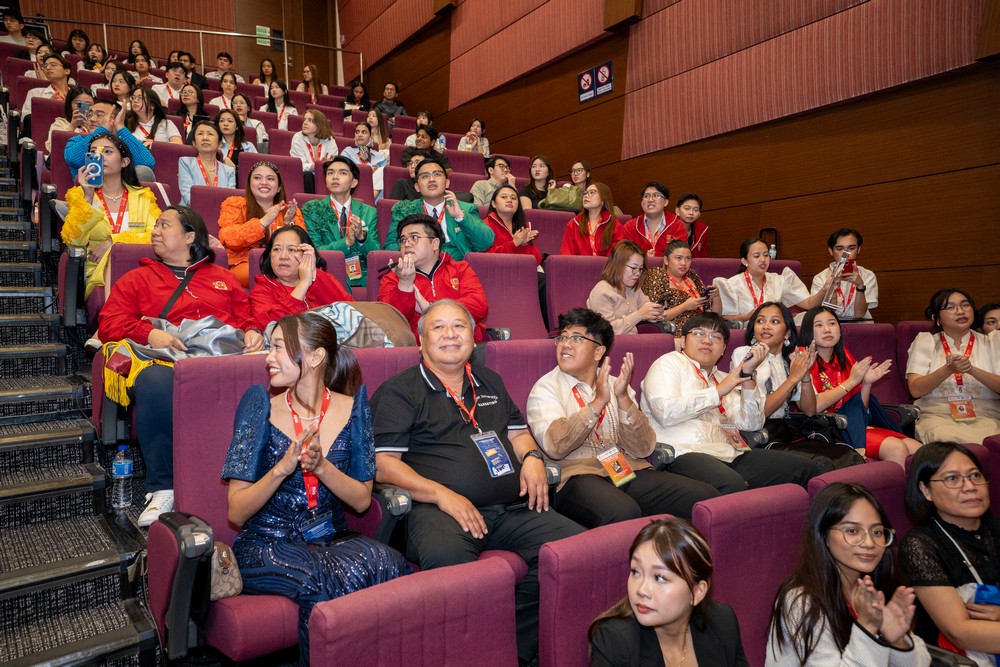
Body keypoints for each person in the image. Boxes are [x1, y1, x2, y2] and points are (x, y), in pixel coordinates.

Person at [371, 299, 583, 665]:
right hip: (438, 512)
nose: (450, 334)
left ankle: (513, 649)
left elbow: (518, 435)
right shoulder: (400, 391)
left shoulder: (490, 381)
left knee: (574, 551)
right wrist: (442, 495)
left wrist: (533, 458)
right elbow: (382, 465)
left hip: (509, 508)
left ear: (473, 337)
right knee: (454, 570)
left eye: (459, 326)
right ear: (421, 341)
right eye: (438, 327)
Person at [224, 312, 408, 666]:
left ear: (315, 356)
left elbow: (361, 501)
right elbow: (236, 512)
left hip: (329, 538)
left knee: (391, 564)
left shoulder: (353, 409)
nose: (268, 357)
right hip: (266, 544)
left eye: (279, 347)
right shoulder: (259, 408)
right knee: (317, 580)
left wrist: (322, 467)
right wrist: (282, 469)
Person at [99, 206, 263, 527]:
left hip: (222, 356)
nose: (155, 231)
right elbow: (109, 323)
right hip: (165, 357)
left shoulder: (222, 277)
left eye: (165, 225)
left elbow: (247, 317)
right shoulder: (138, 277)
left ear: (189, 237)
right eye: (156, 225)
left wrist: (253, 331)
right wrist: (150, 333)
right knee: (156, 382)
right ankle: (164, 486)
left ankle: (254, 475)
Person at [527, 309, 719, 527]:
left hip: (625, 469)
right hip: (577, 475)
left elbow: (643, 448)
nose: (566, 345)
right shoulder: (546, 388)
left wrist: (623, 400)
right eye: (562, 337)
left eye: (577, 338)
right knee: (623, 511)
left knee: (705, 498)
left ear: (598, 352)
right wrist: (597, 403)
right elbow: (555, 447)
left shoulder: (616, 384)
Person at [640, 312, 818, 494]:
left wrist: (748, 377)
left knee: (806, 469)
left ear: (723, 349)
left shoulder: (723, 378)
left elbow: (751, 424)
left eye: (715, 337)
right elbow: (665, 413)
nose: (707, 341)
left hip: (728, 452)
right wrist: (718, 391)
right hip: (683, 452)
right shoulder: (668, 364)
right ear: (683, 341)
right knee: (731, 484)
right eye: (699, 333)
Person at [767, 482, 930, 666]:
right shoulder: (802, 602)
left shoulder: (875, 585)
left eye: (877, 532)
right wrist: (868, 627)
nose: (869, 543)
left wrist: (897, 640)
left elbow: (922, 663)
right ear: (823, 535)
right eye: (852, 531)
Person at [590, 518, 748, 667]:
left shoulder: (722, 622)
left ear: (697, 592)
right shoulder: (616, 642)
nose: (641, 590)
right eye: (635, 571)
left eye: (660, 577)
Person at [901, 441, 1000, 661]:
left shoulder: (995, 528)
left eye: (975, 475)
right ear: (926, 490)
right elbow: (960, 633)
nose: (970, 486)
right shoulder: (920, 545)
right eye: (952, 478)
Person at [799, 306, 923, 466]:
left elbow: (859, 409)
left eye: (832, 323)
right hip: (825, 429)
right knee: (896, 448)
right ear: (808, 331)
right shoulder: (801, 358)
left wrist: (866, 383)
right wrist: (851, 381)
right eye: (819, 325)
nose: (827, 329)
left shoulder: (844, 357)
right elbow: (814, 407)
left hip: (852, 425)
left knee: (919, 450)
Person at [61, 133, 160, 298]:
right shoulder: (79, 196)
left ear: (124, 162)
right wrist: (87, 198)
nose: (99, 156)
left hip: (138, 265)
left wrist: (113, 243)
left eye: (107, 151)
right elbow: (74, 242)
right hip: (99, 272)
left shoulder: (143, 196)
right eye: (94, 152)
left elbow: (156, 236)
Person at [906, 289, 1000, 443]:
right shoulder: (926, 342)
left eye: (965, 305)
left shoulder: (992, 342)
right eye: (950, 307)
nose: (960, 311)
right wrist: (947, 370)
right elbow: (915, 390)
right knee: (946, 438)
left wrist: (971, 370)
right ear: (936, 318)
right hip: (938, 417)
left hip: (986, 417)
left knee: (990, 441)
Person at [379, 214, 488, 341]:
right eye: (403, 239)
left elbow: (479, 307)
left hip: (463, 344)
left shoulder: (460, 269)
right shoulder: (393, 277)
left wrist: (431, 307)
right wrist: (405, 284)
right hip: (419, 348)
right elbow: (390, 323)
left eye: (414, 237)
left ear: (435, 243)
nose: (407, 244)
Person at [386, 156, 494, 260]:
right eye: (424, 176)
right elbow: (391, 247)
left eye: (437, 174)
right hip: (418, 266)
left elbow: (485, 242)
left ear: (447, 183)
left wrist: (460, 217)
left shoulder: (465, 209)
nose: (431, 179)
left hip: (456, 266)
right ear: (417, 187)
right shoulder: (404, 210)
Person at [218, 160, 305, 286]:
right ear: (250, 184)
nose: (264, 182)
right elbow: (230, 239)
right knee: (272, 274)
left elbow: (302, 247)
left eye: (270, 179)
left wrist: (289, 223)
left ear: (279, 187)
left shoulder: (290, 210)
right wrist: (264, 222)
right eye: (258, 178)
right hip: (246, 264)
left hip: (284, 263)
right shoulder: (235, 205)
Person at [249, 226, 353, 329]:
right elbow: (270, 327)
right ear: (269, 254)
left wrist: (312, 273)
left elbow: (351, 312)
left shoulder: (320, 278)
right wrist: (303, 283)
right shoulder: (262, 289)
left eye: (292, 250)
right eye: (276, 249)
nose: (283, 256)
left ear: (305, 254)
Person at [302, 157, 379, 289]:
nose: (335, 177)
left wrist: (362, 238)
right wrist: (346, 243)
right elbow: (314, 251)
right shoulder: (313, 210)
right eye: (330, 173)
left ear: (354, 182)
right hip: (326, 277)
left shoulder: (369, 212)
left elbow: (376, 253)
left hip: (361, 279)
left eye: (342, 173)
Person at [712, 237, 823, 326]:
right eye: (756, 256)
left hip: (774, 331)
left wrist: (825, 288)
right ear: (744, 261)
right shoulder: (732, 285)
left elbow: (810, 304)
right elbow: (722, 319)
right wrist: (747, 316)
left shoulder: (779, 280)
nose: (763, 259)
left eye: (766, 255)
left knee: (811, 317)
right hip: (746, 333)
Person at [642, 240, 715, 342]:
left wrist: (716, 297)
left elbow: (714, 313)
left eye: (688, 258)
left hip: (703, 329)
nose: (683, 263)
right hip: (676, 334)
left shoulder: (692, 276)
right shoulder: (657, 276)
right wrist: (684, 306)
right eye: (678, 258)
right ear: (666, 260)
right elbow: (655, 316)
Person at [64, 99, 156, 179]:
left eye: (99, 115)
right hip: (89, 191)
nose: (92, 119)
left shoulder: (127, 142)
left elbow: (146, 166)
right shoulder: (76, 140)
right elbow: (74, 159)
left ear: (116, 119)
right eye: (90, 115)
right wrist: (103, 129)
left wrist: (120, 127)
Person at [587, 240, 663, 335]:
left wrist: (656, 313)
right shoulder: (602, 291)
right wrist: (639, 315)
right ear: (618, 265)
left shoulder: (634, 288)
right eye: (633, 268)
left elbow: (646, 311)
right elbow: (607, 331)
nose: (638, 273)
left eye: (640, 269)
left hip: (633, 341)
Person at [809, 228, 879, 321]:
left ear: (858, 249)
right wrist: (832, 290)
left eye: (851, 248)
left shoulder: (868, 275)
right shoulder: (820, 278)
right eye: (840, 249)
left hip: (861, 325)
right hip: (831, 325)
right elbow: (826, 313)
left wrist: (860, 286)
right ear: (830, 251)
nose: (846, 253)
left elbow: (859, 314)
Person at [178, 120, 236, 206]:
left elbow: (230, 200)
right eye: (200, 134)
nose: (205, 138)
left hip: (221, 212)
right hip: (191, 212)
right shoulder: (185, 162)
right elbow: (188, 196)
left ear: (219, 144)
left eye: (210, 134)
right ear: (194, 143)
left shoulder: (229, 170)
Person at [561, 183, 625, 257]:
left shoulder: (615, 225)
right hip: (579, 264)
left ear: (603, 199)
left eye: (592, 193)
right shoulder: (573, 224)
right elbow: (566, 255)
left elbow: (617, 256)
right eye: (585, 193)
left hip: (607, 264)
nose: (586, 196)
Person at [621, 182, 683, 257]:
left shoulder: (677, 225)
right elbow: (623, 255)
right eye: (646, 196)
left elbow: (681, 255)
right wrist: (643, 258)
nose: (650, 200)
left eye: (656, 196)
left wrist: (656, 257)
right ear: (641, 203)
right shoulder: (630, 226)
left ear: (665, 202)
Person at [484, 185, 541, 265]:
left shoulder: (522, 227)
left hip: (519, 270)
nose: (509, 200)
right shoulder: (485, 226)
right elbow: (483, 258)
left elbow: (537, 260)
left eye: (513, 198)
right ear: (494, 204)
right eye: (504, 197)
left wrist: (524, 245)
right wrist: (513, 244)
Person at [289, 109, 339, 190]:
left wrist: (324, 165)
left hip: (324, 175)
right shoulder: (298, 138)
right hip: (304, 177)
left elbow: (333, 163)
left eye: (310, 120)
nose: (305, 123)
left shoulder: (330, 140)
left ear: (319, 124)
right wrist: (318, 165)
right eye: (304, 120)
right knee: (307, 175)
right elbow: (299, 165)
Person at [338, 121, 387, 200]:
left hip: (374, 191)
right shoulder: (348, 152)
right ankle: (366, 200)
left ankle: (368, 199)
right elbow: (343, 172)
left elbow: (383, 181)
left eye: (364, 132)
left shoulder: (380, 156)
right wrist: (368, 171)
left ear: (370, 136)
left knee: (382, 170)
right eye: (357, 132)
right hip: (353, 186)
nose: (360, 135)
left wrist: (376, 172)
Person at [22, 54, 72, 121]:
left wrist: (69, 109)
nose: (48, 68)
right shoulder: (35, 93)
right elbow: (25, 119)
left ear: (67, 71)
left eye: (53, 65)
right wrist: (46, 108)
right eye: (45, 66)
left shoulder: (77, 96)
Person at [45, 87, 93, 154]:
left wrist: (91, 131)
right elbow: (52, 148)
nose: (83, 107)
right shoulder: (60, 123)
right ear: (70, 106)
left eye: (88, 104)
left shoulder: (97, 125)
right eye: (78, 103)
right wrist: (72, 126)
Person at [216, 108, 256, 174]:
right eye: (222, 121)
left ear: (237, 126)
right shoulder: (214, 145)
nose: (225, 124)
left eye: (230, 121)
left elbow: (256, 168)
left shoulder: (248, 146)